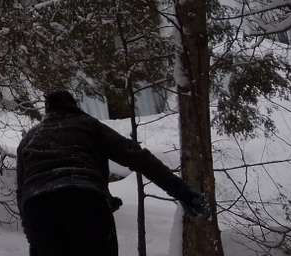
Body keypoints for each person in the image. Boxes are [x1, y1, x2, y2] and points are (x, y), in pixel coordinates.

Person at [16, 90, 209, 256]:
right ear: (73, 106)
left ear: (48, 110)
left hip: (37, 208)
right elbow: (137, 157)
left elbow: (21, 191)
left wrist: (33, 231)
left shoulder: (30, 139)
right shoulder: (88, 124)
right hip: (85, 201)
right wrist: (182, 192)